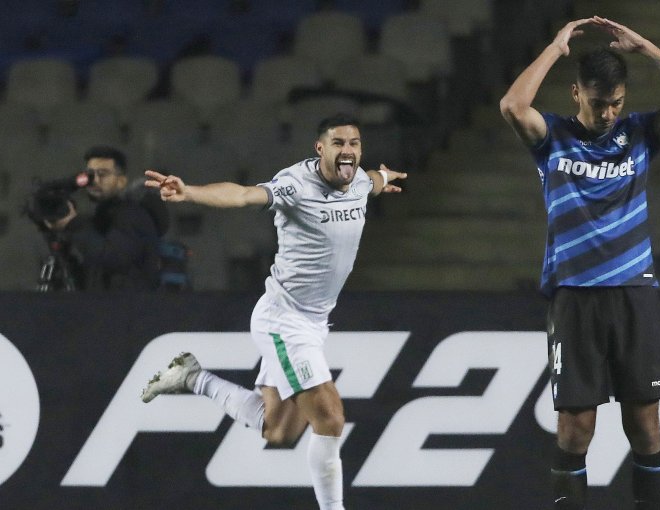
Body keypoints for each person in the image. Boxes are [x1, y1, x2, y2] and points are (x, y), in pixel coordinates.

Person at [140, 114, 406, 510]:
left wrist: (384, 178)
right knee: (330, 418)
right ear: (321, 149)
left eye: (354, 143)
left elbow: (374, 182)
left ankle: (193, 378)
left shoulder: (361, 182)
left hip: (314, 323)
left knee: (277, 430)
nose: (347, 150)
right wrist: (191, 192)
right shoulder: (296, 184)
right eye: (338, 143)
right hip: (284, 319)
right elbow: (244, 195)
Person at [499, 17, 660, 510]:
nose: (609, 113)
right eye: (599, 104)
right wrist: (555, 46)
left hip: (634, 292)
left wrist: (646, 49)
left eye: (616, 103)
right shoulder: (550, 137)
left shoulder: (640, 134)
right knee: (577, 429)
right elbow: (513, 105)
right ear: (577, 93)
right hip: (575, 296)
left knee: (644, 424)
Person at [41, 145, 169, 290]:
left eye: (102, 174)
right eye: (89, 175)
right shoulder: (103, 217)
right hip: (105, 308)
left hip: (129, 309)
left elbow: (113, 259)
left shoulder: (133, 215)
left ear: (121, 181)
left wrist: (73, 223)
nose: (94, 180)